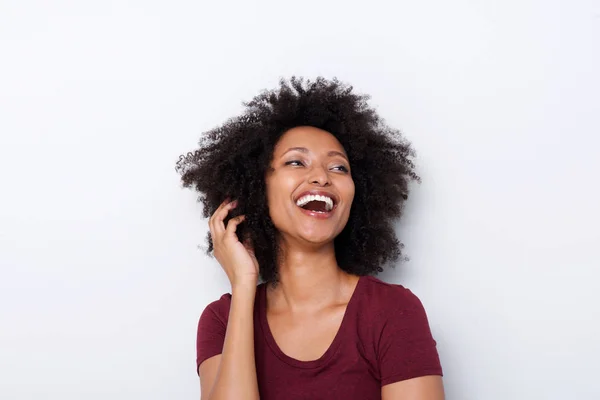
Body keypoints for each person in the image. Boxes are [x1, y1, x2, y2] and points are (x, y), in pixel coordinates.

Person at [176, 77, 444, 400]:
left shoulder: (392, 312)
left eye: (339, 168)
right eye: (296, 162)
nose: (321, 177)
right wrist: (244, 284)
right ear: (258, 189)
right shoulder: (221, 321)